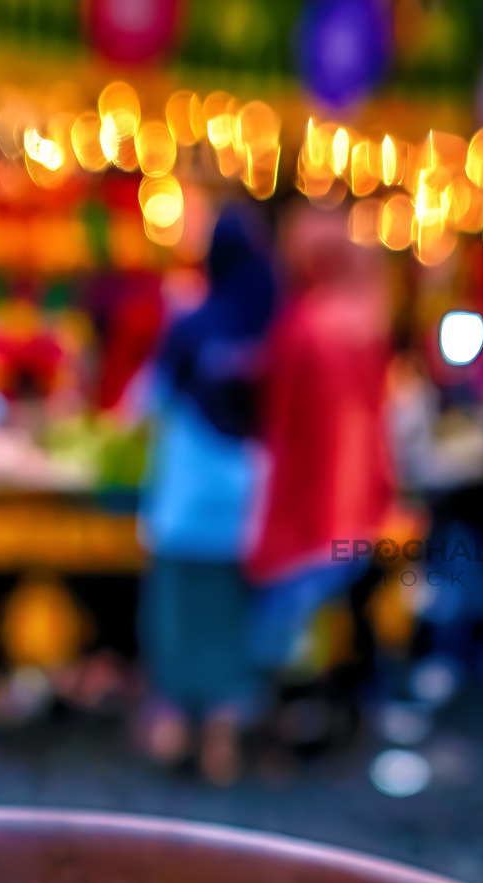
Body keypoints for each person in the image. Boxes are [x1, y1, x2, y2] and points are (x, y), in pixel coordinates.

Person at [137, 207, 276, 785]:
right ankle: (221, 746)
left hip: (185, 505)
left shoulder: (191, 327)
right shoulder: (275, 325)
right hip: (245, 506)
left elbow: (147, 402)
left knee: (178, 623)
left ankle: (174, 736)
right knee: (230, 627)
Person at [246, 201, 394, 676]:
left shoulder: (302, 327)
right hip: (354, 512)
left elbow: (277, 424)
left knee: (283, 649)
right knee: (328, 638)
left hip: (305, 512)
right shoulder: (367, 323)